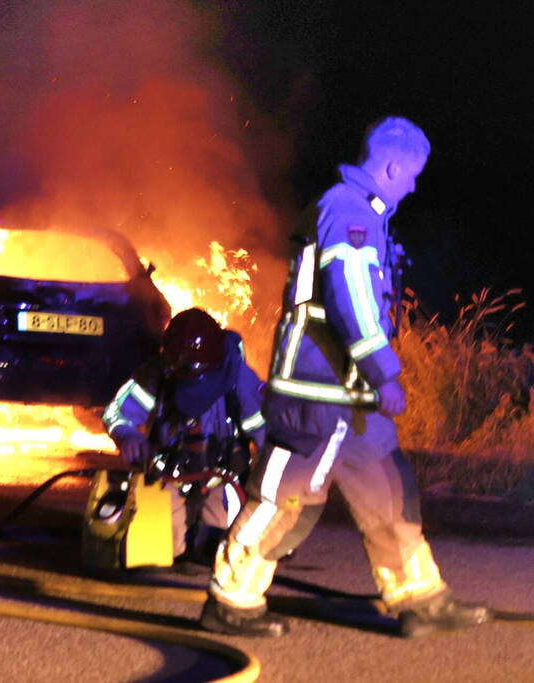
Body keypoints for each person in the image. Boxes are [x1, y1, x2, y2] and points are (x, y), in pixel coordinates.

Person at [199, 117, 491, 638]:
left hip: (349, 399)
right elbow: (351, 298)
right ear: (393, 165)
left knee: (388, 492)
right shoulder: (348, 211)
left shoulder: (362, 213)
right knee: (287, 502)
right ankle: (231, 601)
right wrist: (386, 374)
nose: (414, 186)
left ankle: (420, 599)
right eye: (413, 174)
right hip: (317, 395)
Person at [103, 308, 266, 565]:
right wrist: (127, 436)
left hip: (225, 481)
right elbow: (117, 412)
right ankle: (176, 538)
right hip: (168, 474)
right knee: (155, 553)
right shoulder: (157, 373)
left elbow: (265, 434)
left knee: (225, 553)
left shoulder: (239, 380)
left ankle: (210, 537)